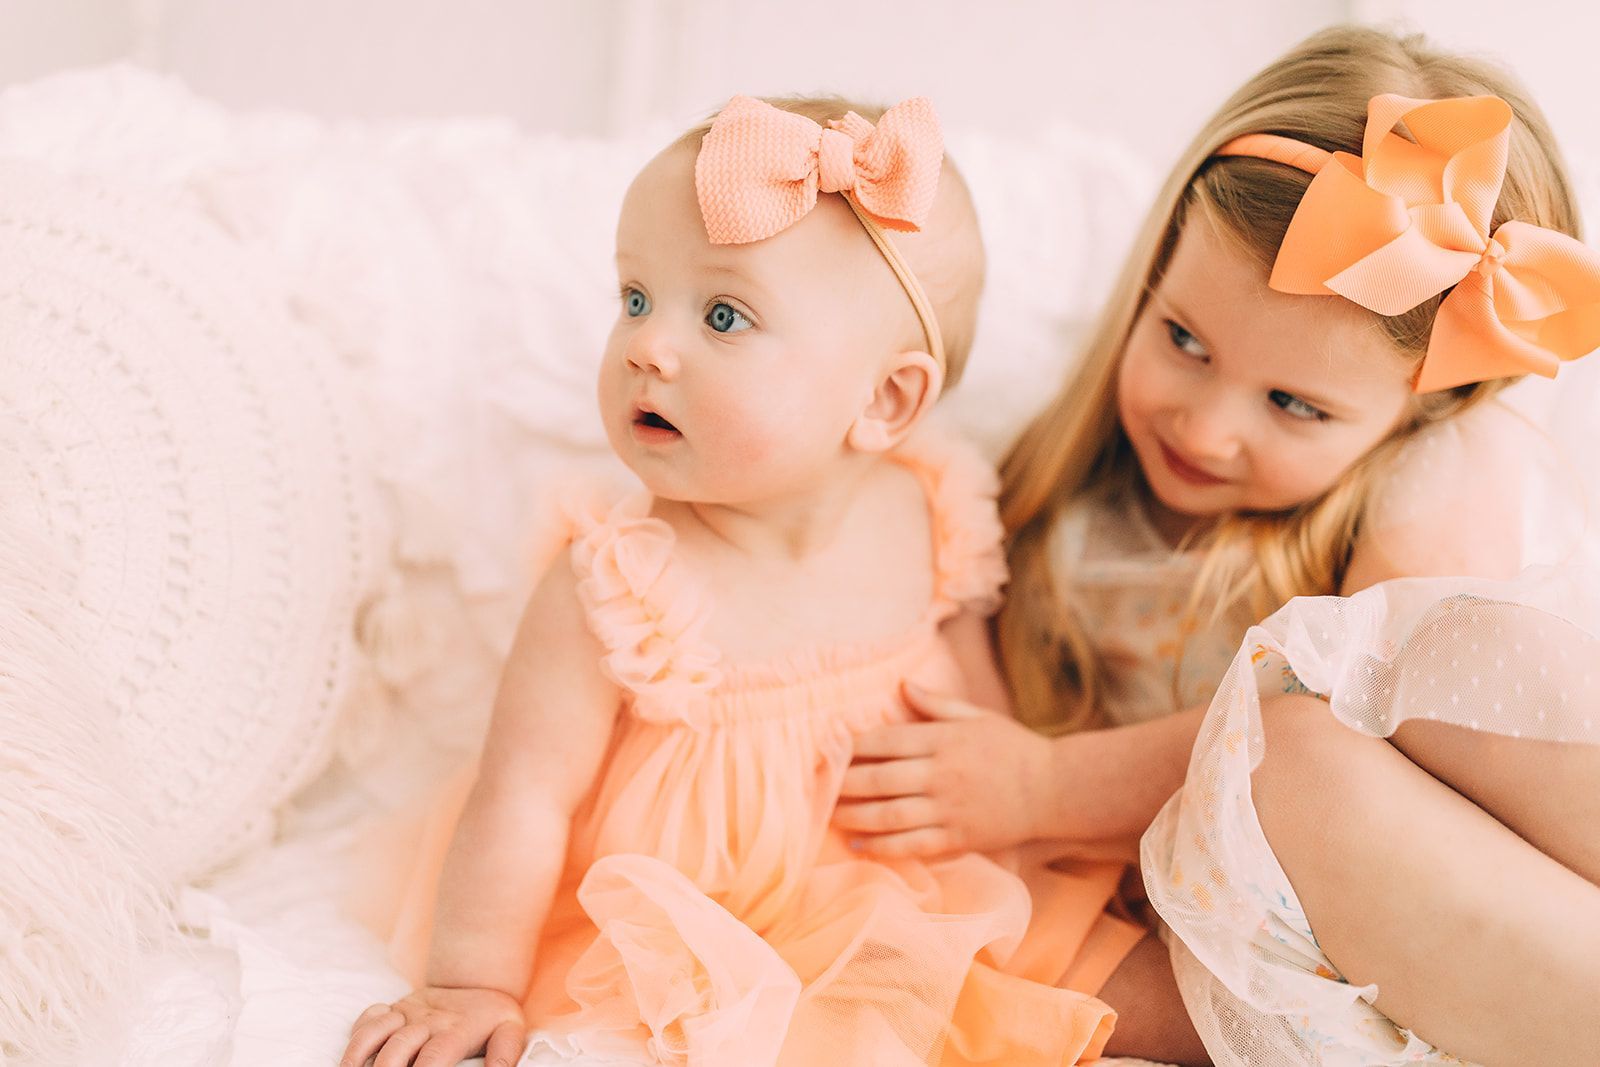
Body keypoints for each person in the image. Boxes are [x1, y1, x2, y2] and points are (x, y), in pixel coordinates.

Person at [339, 94, 1204, 1067]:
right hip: (720, 933)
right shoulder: (620, 589)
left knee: (1173, 1009)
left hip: (925, 886)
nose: (645, 346)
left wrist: (1018, 832)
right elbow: (521, 798)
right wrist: (471, 981)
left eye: (721, 315)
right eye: (633, 297)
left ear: (885, 398)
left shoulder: (930, 506)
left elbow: (977, 708)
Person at [834, 25, 1600, 1066]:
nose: (1203, 426)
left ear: (1421, 416)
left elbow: (1363, 703)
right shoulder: (1048, 505)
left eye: (1293, 403)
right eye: (1182, 339)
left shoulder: (1435, 477)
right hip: (1266, 962)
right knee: (1283, 752)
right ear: (1150, 272)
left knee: (1370, 698)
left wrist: (1046, 788)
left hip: (1458, 911)